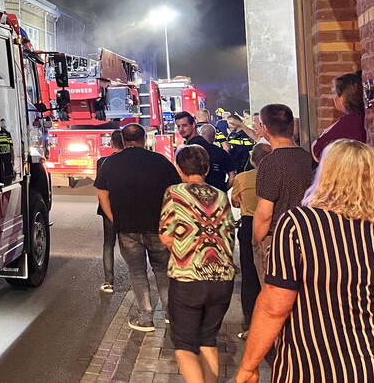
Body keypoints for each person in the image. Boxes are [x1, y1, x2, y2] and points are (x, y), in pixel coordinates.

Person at [235, 139, 374, 383]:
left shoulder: (299, 224)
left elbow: (274, 306)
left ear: (325, 174)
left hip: (310, 361)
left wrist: (249, 365)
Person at [160, 145, 237, 383]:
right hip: (223, 279)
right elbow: (229, 234)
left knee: (184, 345)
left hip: (188, 279)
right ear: (205, 168)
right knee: (207, 339)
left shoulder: (175, 192)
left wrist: (186, 254)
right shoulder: (221, 195)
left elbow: (165, 234)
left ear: (179, 168)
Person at [95, 123, 180, 332]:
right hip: (157, 226)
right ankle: (171, 315)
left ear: (123, 141)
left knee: (137, 272)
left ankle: (146, 318)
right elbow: (174, 190)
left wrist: (114, 218)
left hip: (127, 228)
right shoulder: (160, 161)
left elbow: (102, 193)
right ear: (144, 140)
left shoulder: (110, 163)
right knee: (162, 271)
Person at [252, 104, 313, 287]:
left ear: (264, 129)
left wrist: (256, 240)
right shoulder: (308, 158)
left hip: (277, 238)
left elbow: (265, 213)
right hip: (308, 235)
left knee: (275, 298)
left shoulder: (269, 163)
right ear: (291, 126)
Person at [230, 142, 271, 338]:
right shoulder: (276, 176)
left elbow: (235, 202)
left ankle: (251, 322)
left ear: (253, 159)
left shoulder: (242, 178)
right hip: (272, 224)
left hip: (248, 226)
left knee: (249, 274)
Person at [311, 71, 366, 162]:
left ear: (343, 97)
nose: (333, 98)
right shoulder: (360, 118)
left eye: (334, 92)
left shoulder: (350, 122)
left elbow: (319, 150)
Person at [96, 129, 124, 293]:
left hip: (108, 208)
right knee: (132, 245)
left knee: (108, 244)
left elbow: (100, 189)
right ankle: (138, 276)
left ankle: (108, 282)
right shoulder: (130, 162)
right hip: (126, 206)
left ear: (111, 143)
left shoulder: (102, 162)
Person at [175, 112, 233, 191]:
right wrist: (223, 190)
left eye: (184, 125)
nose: (181, 129)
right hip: (218, 195)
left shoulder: (187, 151)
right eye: (178, 126)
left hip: (196, 195)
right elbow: (232, 175)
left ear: (193, 125)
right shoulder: (219, 151)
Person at [199, 124, 235, 191]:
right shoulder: (222, 153)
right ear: (214, 137)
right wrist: (224, 189)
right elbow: (232, 176)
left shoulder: (196, 151)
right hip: (219, 192)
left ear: (200, 135)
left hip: (200, 192)